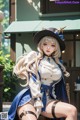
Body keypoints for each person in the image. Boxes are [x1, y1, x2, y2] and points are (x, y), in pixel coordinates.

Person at [8, 28, 77, 120]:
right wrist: (37, 100)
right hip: (29, 99)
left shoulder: (57, 64)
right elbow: (33, 81)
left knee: (72, 111)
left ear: (56, 48)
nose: (48, 48)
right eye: (45, 44)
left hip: (48, 100)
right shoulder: (34, 58)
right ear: (41, 45)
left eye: (52, 45)